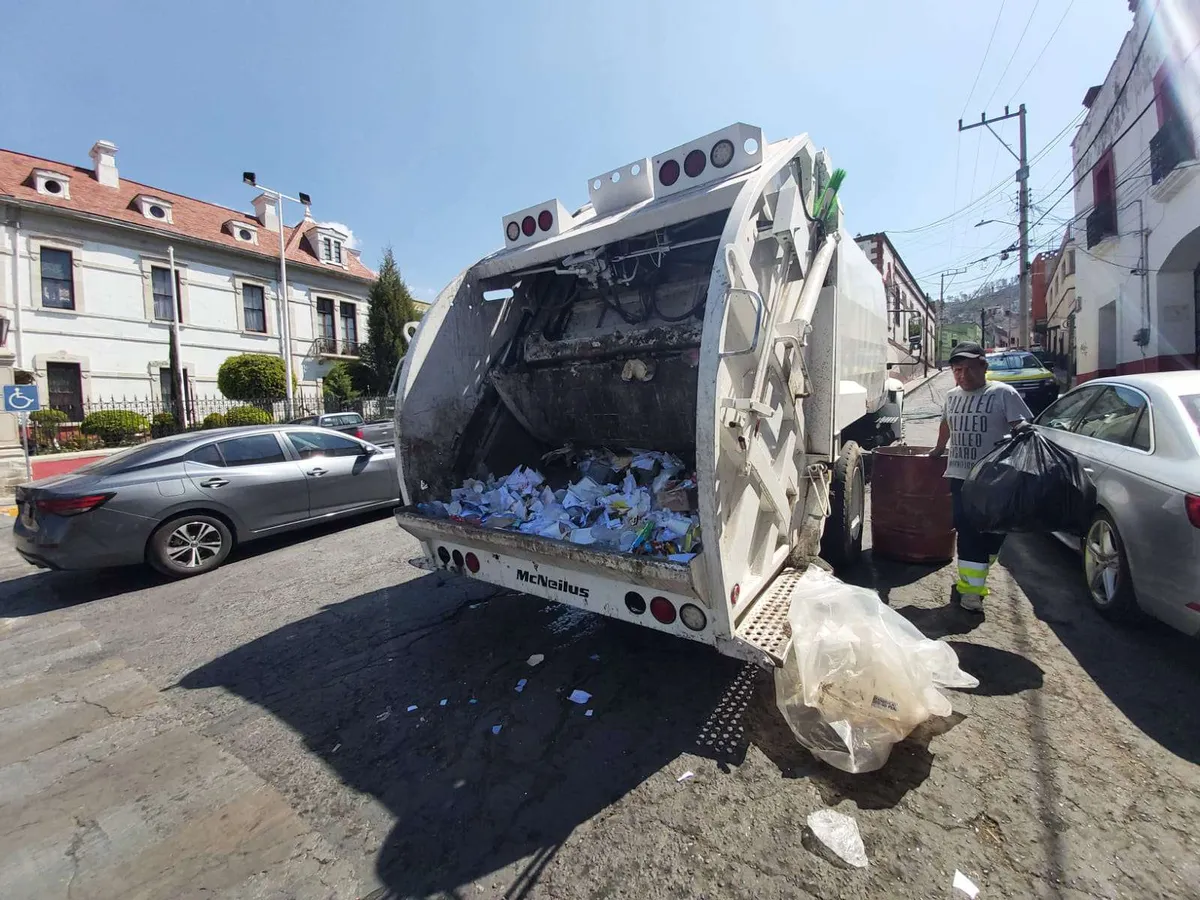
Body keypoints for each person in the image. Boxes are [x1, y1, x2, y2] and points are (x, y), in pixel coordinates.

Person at [929, 340, 1032, 613]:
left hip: (995, 479)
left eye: (968, 369)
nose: (962, 375)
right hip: (961, 477)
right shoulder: (952, 396)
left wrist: (1023, 430)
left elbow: (1021, 425)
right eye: (957, 370)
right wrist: (938, 450)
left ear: (983, 367)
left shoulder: (1003, 393)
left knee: (995, 532)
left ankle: (983, 561)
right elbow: (945, 423)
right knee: (967, 531)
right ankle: (971, 592)